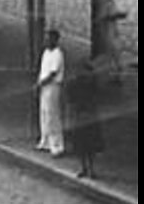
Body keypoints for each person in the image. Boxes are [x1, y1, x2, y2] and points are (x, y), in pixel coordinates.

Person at [66, 58, 106, 179]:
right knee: (82, 145)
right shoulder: (75, 83)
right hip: (83, 115)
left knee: (89, 145)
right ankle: (85, 168)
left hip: (87, 115)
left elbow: (96, 96)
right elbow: (70, 100)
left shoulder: (90, 83)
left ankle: (89, 169)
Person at [36, 29, 67, 157]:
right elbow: (43, 69)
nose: (46, 41)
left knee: (52, 114)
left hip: (52, 86)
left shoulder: (57, 54)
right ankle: (45, 141)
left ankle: (57, 145)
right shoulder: (46, 53)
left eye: (49, 39)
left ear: (55, 40)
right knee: (43, 113)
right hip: (44, 86)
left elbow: (53, 73)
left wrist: (42, 82)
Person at [93, 0, 128, 82]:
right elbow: (103, 17)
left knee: (113, 53)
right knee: (114, 52)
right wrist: (117, 15)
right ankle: (118, 74)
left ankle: (116, 73)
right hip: (108, 31)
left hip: (111, 30)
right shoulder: (105, 2)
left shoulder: (109, 1)